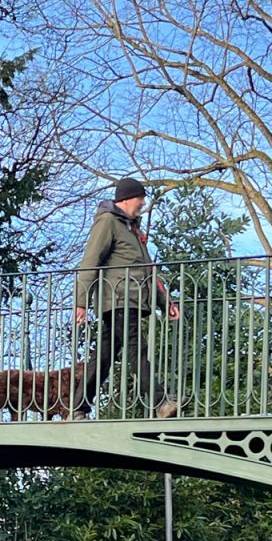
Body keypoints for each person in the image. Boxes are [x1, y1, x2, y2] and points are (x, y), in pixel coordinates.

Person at [72, 177, 181, 418]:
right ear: (127, 199)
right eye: (140, 198)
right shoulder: (108, 222)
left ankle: (78, 407)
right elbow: (90, 261)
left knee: (103, 356)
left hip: (131, 299)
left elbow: (148, 269)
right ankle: (160, 402)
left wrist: (166, 302)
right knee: (137, 350)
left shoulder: (132, 228)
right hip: (119, 298)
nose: (143, 202)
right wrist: (81, 301)